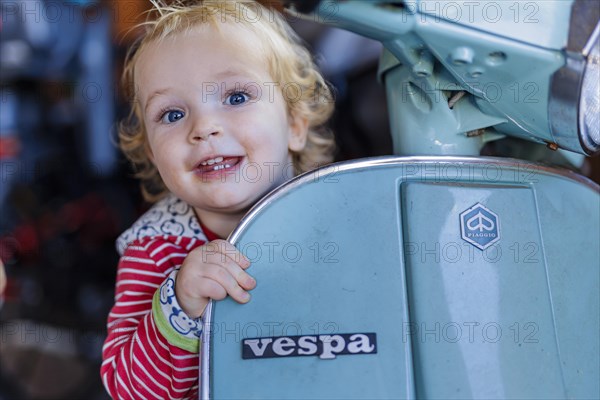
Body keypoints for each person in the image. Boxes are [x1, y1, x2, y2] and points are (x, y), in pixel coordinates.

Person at [101, 1, 335, 398]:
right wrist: (180, 305)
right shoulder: (155, 251)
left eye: (237, 97)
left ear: (294, 124)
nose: (204, 127)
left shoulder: (340, 214)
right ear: (155, 156)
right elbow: (128, 389)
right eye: (173, 115)